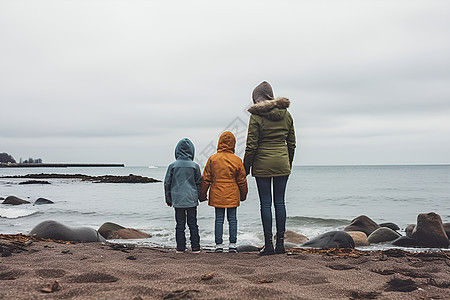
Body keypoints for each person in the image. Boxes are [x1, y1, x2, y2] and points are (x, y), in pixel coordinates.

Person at [243, 81, 296, 255]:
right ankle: (280, 244)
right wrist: (287, 162)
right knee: (280, 202)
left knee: (265, 203)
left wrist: (246, 167)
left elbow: (251, 145)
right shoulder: (286, 114)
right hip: (282, 163)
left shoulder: (256, 116)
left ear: (256, 98)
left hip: (262, 165)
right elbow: (292, 143)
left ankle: (268, 245)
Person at [201, 131, 248, 253]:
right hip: (232, 193)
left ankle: (219, 245)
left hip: (217, 193)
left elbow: (206, 178)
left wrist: (202, 194)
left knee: (219, 219)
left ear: (219, 143)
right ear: (233, 144)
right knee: (232, 219)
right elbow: (242, 180)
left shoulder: (213, 159)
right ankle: (232, 244)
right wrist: (243, 195)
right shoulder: (237, 160)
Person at [164, 138, 202, 253]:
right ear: (192, 151)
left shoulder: (173, 166)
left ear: (177, 151)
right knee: (193, 224)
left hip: (178, 199)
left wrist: (168, 199)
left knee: (180, 224)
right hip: (191, 199)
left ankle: (181, 247)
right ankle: (195, 247)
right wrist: (198, 197)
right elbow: (199, 183)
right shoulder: (195, 166)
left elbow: (167, 184)